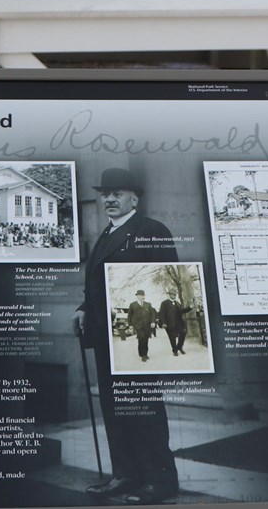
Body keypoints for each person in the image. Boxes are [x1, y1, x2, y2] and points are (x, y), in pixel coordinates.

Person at [73, 167, 179, 504]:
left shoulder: (151, 230)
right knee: (114, 409)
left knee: (142, 408)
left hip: (136, 340)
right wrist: (83, 307)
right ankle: (126, 475)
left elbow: (166, 280)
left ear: (135, 198)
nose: (109, 199)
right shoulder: (106, 233)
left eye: (117, 193)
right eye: (105, 194)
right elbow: (97, 285)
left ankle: (159, 481)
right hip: (108, 336)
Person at [127, 290, 158, 361]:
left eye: (143, 295)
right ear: (137, 296)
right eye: (140, 295)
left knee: (146, 340)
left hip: (147, 325)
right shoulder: (132, 305)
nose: (142, 297)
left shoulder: (148, 304)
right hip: (138, 326)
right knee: (141, 338)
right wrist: (130, 325)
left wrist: (153, 322)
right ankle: (142, 355)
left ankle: (145, 354)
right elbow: (129, 316)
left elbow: (153, 314)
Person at [156, 290, 187, 356]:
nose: (174, 296)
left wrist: (190, 308)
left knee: (183, 333)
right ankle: (175, 351)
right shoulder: (164, 303)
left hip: (179, 323)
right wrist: (164, 323)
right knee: (172, 337)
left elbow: (181, 311)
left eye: (175, 294)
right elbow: (162, 314)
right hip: (169, 324)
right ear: (169, 295)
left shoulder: (177, 303)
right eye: (173, 294)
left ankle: (179, 347)